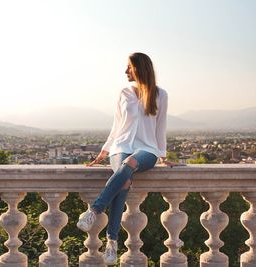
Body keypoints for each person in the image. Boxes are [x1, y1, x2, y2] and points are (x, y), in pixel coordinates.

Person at [76, 52, 178, 265]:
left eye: (129, 67)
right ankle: (112, 241)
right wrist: (104, 152)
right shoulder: (124, 93)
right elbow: (116, 126)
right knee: (124, 180)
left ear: (140, 68)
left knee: (129, 164)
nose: (125, 71)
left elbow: (161, 128)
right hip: (120, 146)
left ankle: (94, 210)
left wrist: (162, 155)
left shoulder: (161, 95)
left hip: (147, 150)